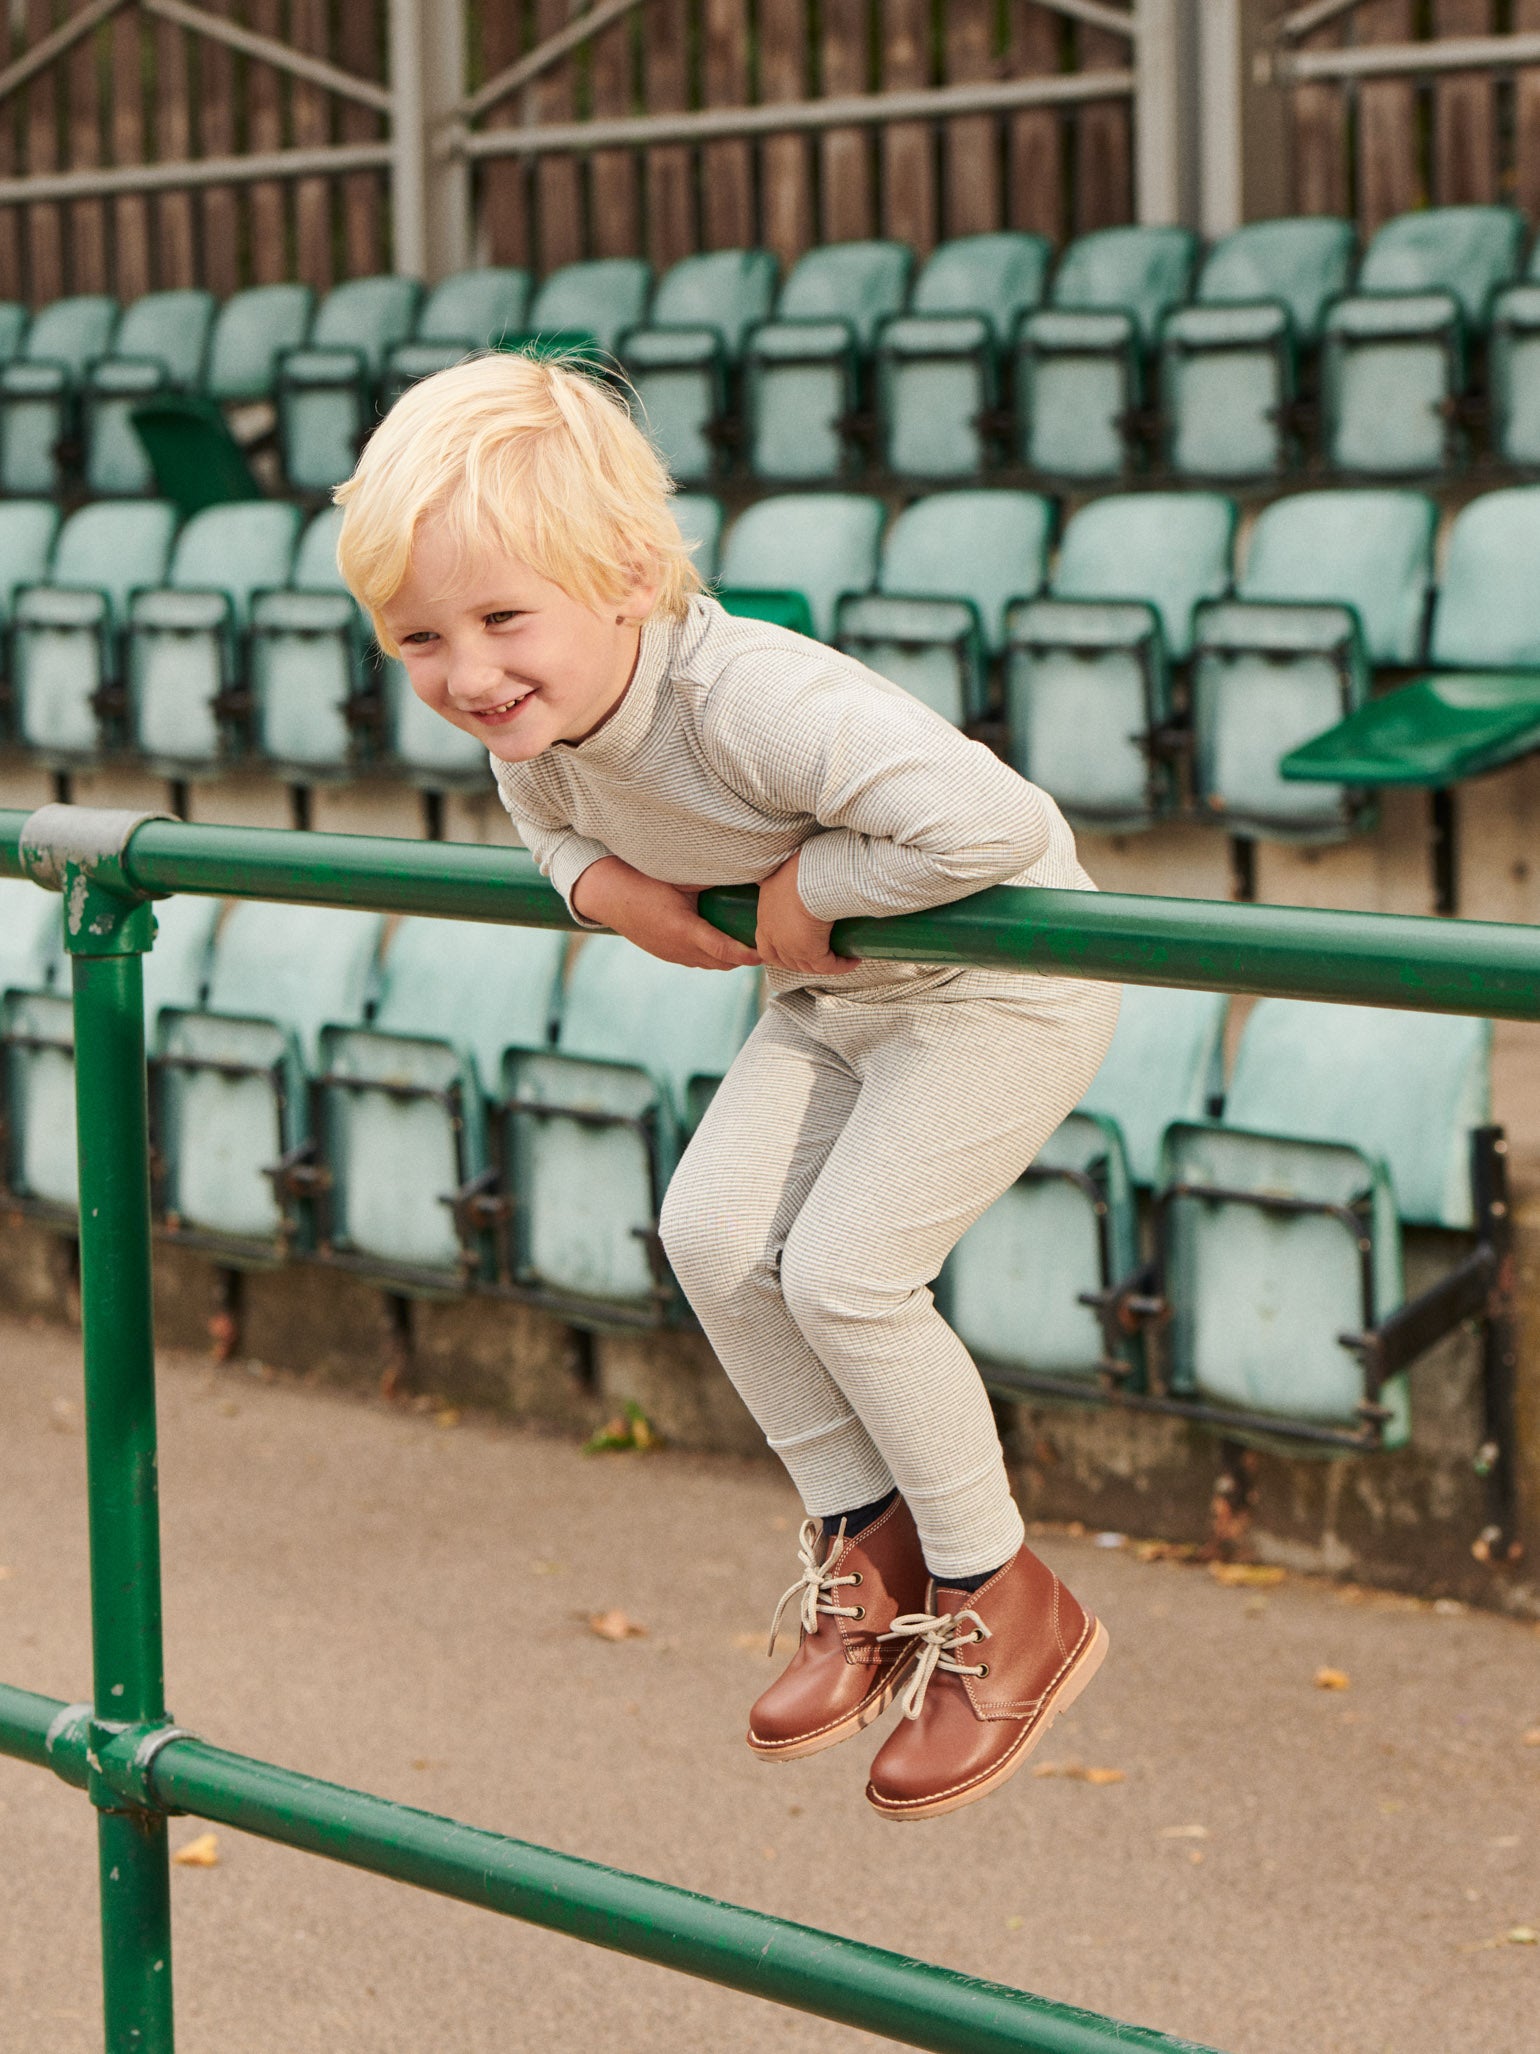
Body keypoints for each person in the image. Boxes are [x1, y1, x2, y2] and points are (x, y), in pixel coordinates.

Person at [335, 351, 1121, 1822]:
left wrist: (815, 878)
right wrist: (599, 888)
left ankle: (1003, 1592)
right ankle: (869, 1543)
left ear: (629, 576)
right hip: (836, 1002)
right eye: (418, 638)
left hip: (991, 997)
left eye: (504, 618)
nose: (469, 674)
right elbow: (536, 802)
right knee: (707, 1234)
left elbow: (997, 822)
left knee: (845, 1275)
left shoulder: (749, 694)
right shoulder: (542, 720)